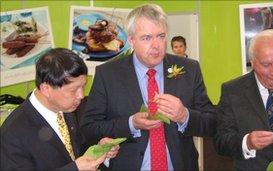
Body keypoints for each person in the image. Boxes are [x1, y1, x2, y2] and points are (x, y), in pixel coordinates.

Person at [80, 3, 216, 171]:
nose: (156, 45)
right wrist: (131, 124)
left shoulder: (189, 68)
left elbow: (212, 123)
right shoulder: (108, 74)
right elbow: (89, 128)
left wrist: (184, 116)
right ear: (131, 40)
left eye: (161, 36)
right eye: (146, 38)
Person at [1, 48, 119, 170]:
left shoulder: (71, 108)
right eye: (73, 90)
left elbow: (74, 152)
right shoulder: (12, 134)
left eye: (83, 86)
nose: (81, 95)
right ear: (46, 89)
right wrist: (75, 168)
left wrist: (98, 150)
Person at [215, 29, 273, 170]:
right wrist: (247, 142)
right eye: (266, 65)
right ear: (253, 62)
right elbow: (221, 142)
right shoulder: (232, 91)